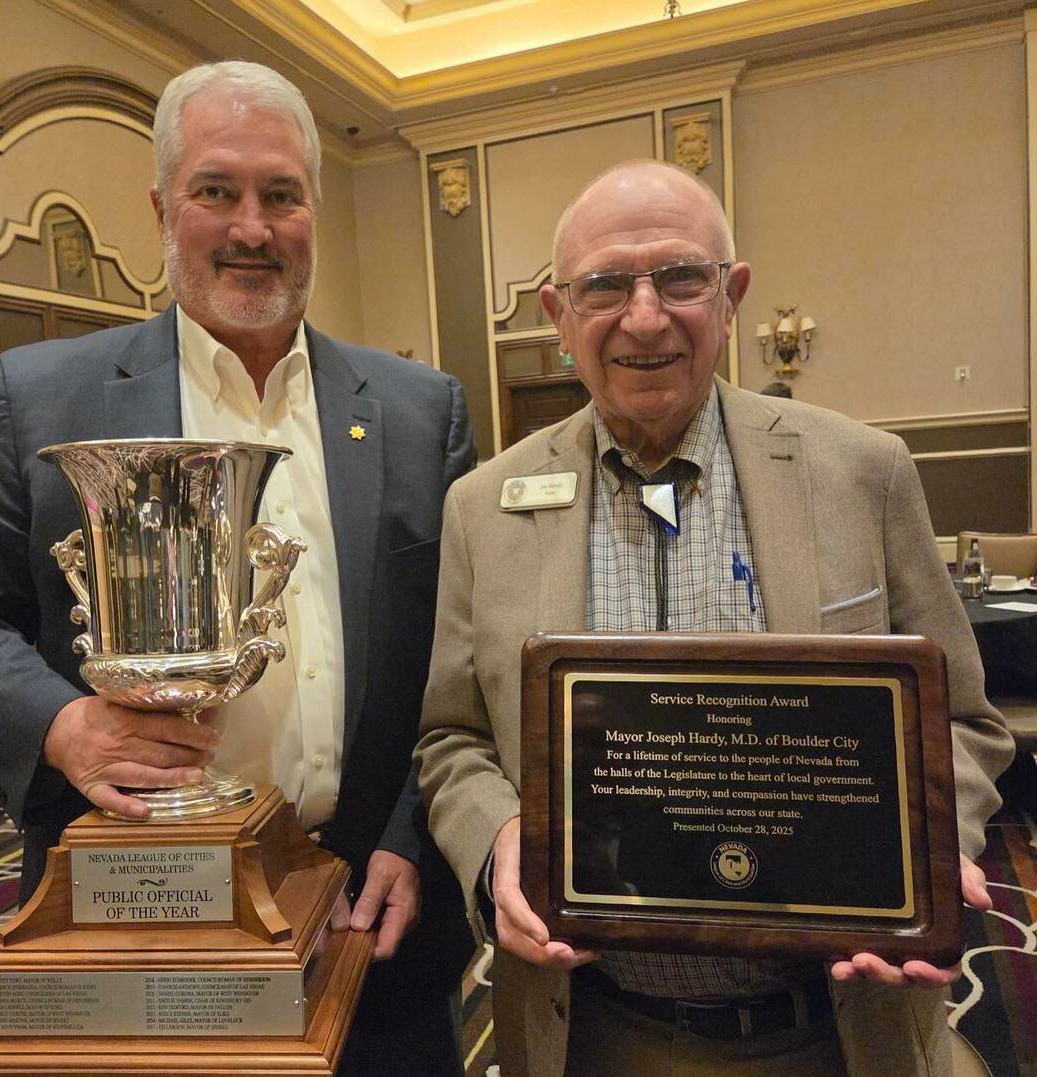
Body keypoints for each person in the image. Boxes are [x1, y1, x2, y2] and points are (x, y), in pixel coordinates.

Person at [0, 60, 474, 1075]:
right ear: (164, 208)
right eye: (217, 191)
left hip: (370, 914)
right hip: (139, 916)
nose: (251, 226)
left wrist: (412, 841)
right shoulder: (42, 400)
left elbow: (462, 668)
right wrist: (63, 725)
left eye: (280, 195)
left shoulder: (423, 413)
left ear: (313, 212)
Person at [415, 159, 1014, 1076]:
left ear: (731, 298)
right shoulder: (482, 506)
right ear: (558, 316)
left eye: (680, 277)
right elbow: (453, 738)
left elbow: (967, 722)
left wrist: (930, 848)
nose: (645, 316)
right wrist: (498, 837)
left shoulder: (864, 473)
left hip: (837, 1024)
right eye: (606, 285)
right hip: (589, 1026)